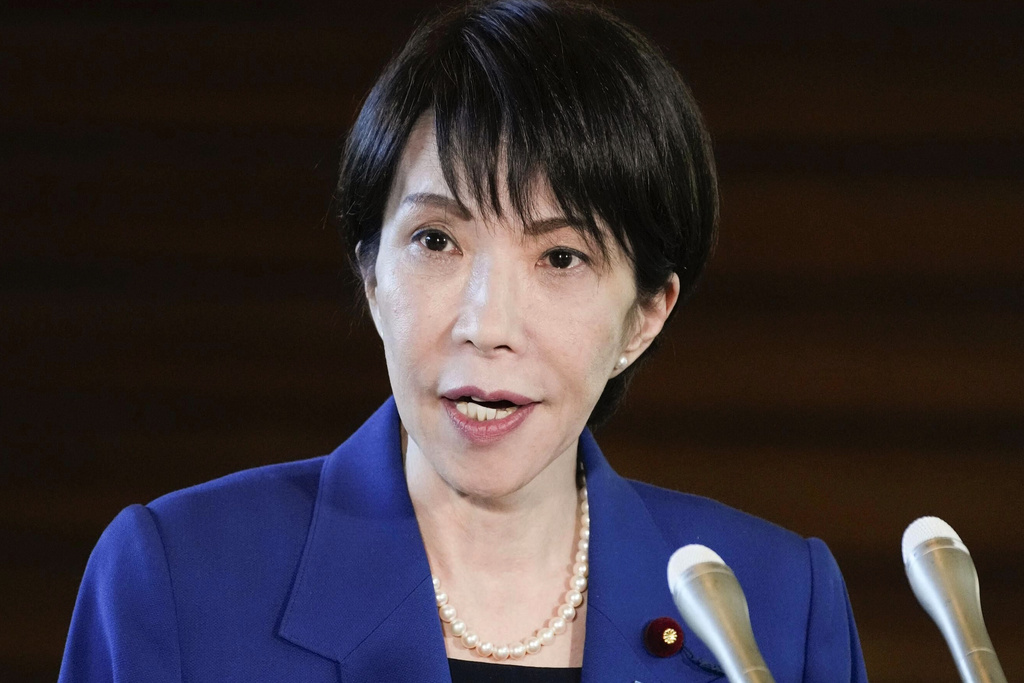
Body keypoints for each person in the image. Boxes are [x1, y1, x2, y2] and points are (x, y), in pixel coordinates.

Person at [59, 1, 869, 681]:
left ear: (646, 316)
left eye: (562, 256)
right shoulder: (179, 578)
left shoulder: (771, 606)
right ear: (371, 272)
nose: (486, 325)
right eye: (437, 241)